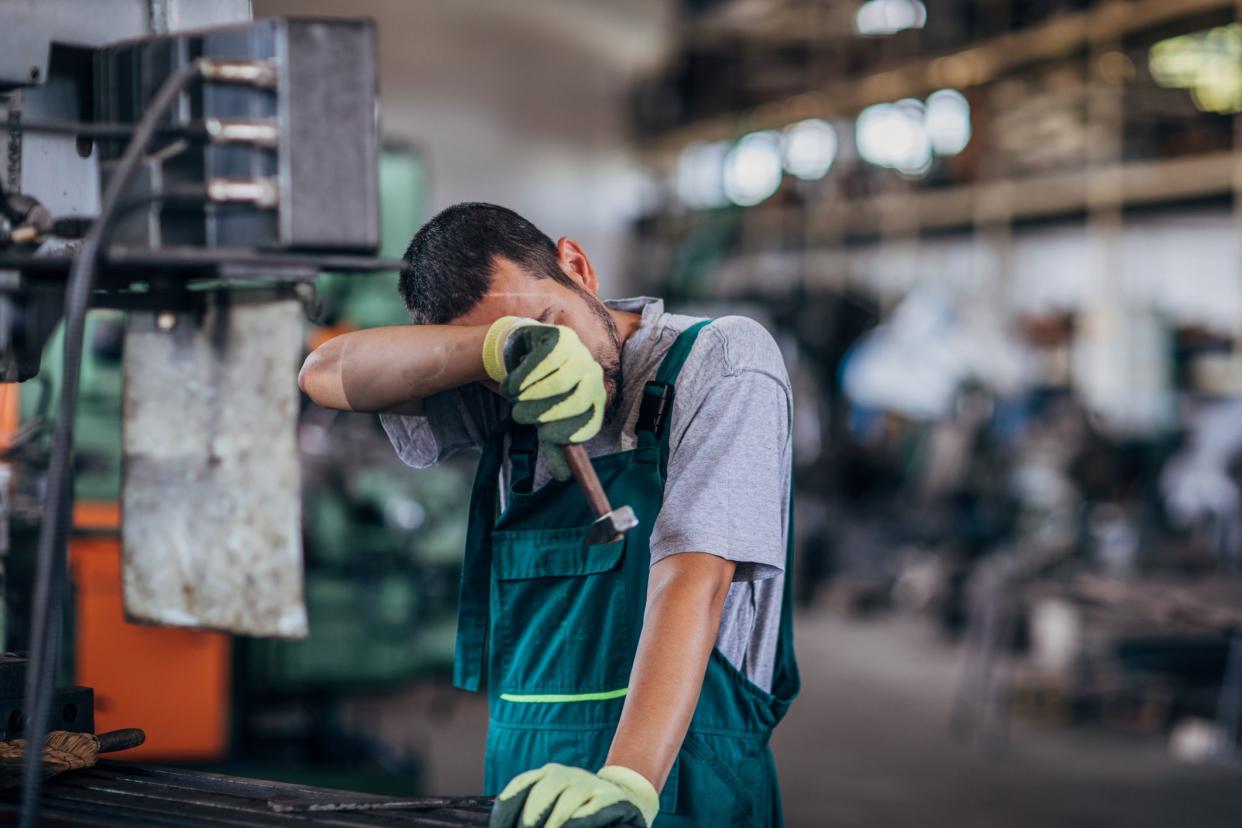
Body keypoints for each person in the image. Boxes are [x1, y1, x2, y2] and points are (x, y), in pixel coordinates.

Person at [299, 203, 799, 827]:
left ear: (578, 267)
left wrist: (627, 783)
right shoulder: (504, 388)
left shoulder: (722, 360)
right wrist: (499, 351)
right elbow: (324, 371)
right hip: (527, 779)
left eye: (549, 321)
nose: (558, 359)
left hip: (675, 773)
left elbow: (694, 579)